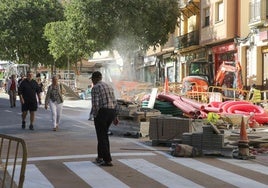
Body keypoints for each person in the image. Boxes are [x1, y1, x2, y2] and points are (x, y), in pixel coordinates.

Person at [91, 71, 119, 166]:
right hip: (111, 112)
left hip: (102, 112)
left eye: (92, 80)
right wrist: (115, 116)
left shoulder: (95, 88)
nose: (92, 81)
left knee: (102, 136)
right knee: (103, 135)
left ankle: (107, 160)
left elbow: (95, 104)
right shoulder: (109, 86)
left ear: (94, 79)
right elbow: (114, 102)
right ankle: (100, 157)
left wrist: (95, 116)